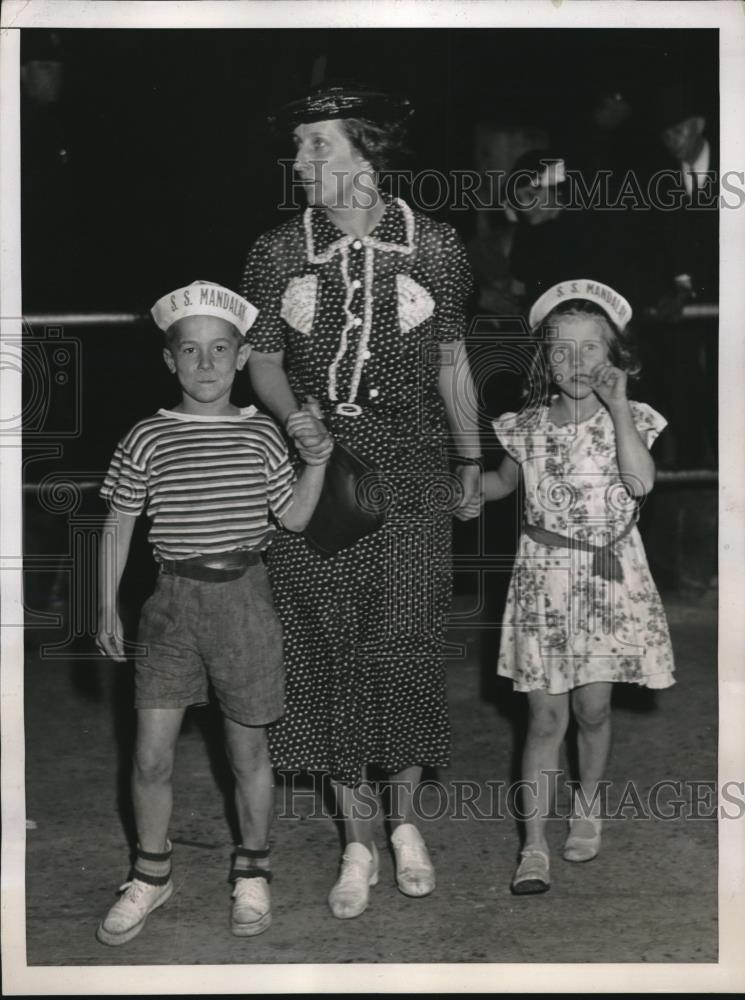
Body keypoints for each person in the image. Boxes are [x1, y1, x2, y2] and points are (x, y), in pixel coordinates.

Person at [239, 82, 481, 919]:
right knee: (330, 647)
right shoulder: (277, 250)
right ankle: (355, 842)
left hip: (410, 467)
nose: (302, 161)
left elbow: (451, 357)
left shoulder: (437, 246)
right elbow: (261, 356)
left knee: (405, 640)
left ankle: (405, 823)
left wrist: (470, 458)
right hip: (317, 476)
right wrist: (296, 418)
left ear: (367, 152)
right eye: (300, 145)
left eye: (319, 144)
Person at [95, 280, 331, 944]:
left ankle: (252, 872)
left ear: (240, 356)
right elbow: (118, 523)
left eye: (219, 349)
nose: (205, 364)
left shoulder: (260, 434)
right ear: (170, 361)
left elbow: (294, 516)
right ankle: (150, 874)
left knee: (247, 751)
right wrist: (103, 604)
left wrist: (316, 463)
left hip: (245, 603)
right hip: (170, 606)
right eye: (190, 351)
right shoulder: (146, 437)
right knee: (148, 755)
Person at [475, 279, 675, 894]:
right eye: (561, 350)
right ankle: (533, 846)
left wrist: (618, 409)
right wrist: (455, 488)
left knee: (593, 709)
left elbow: (640, 484)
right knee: (544, 719)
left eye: (592, 349)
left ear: (617, 356)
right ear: (543, 359)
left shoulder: (634, 419)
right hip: (545, 583)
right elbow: (502, 485)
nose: (577, 362)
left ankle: (587, 807)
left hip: (611, 579)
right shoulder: (526, 426)